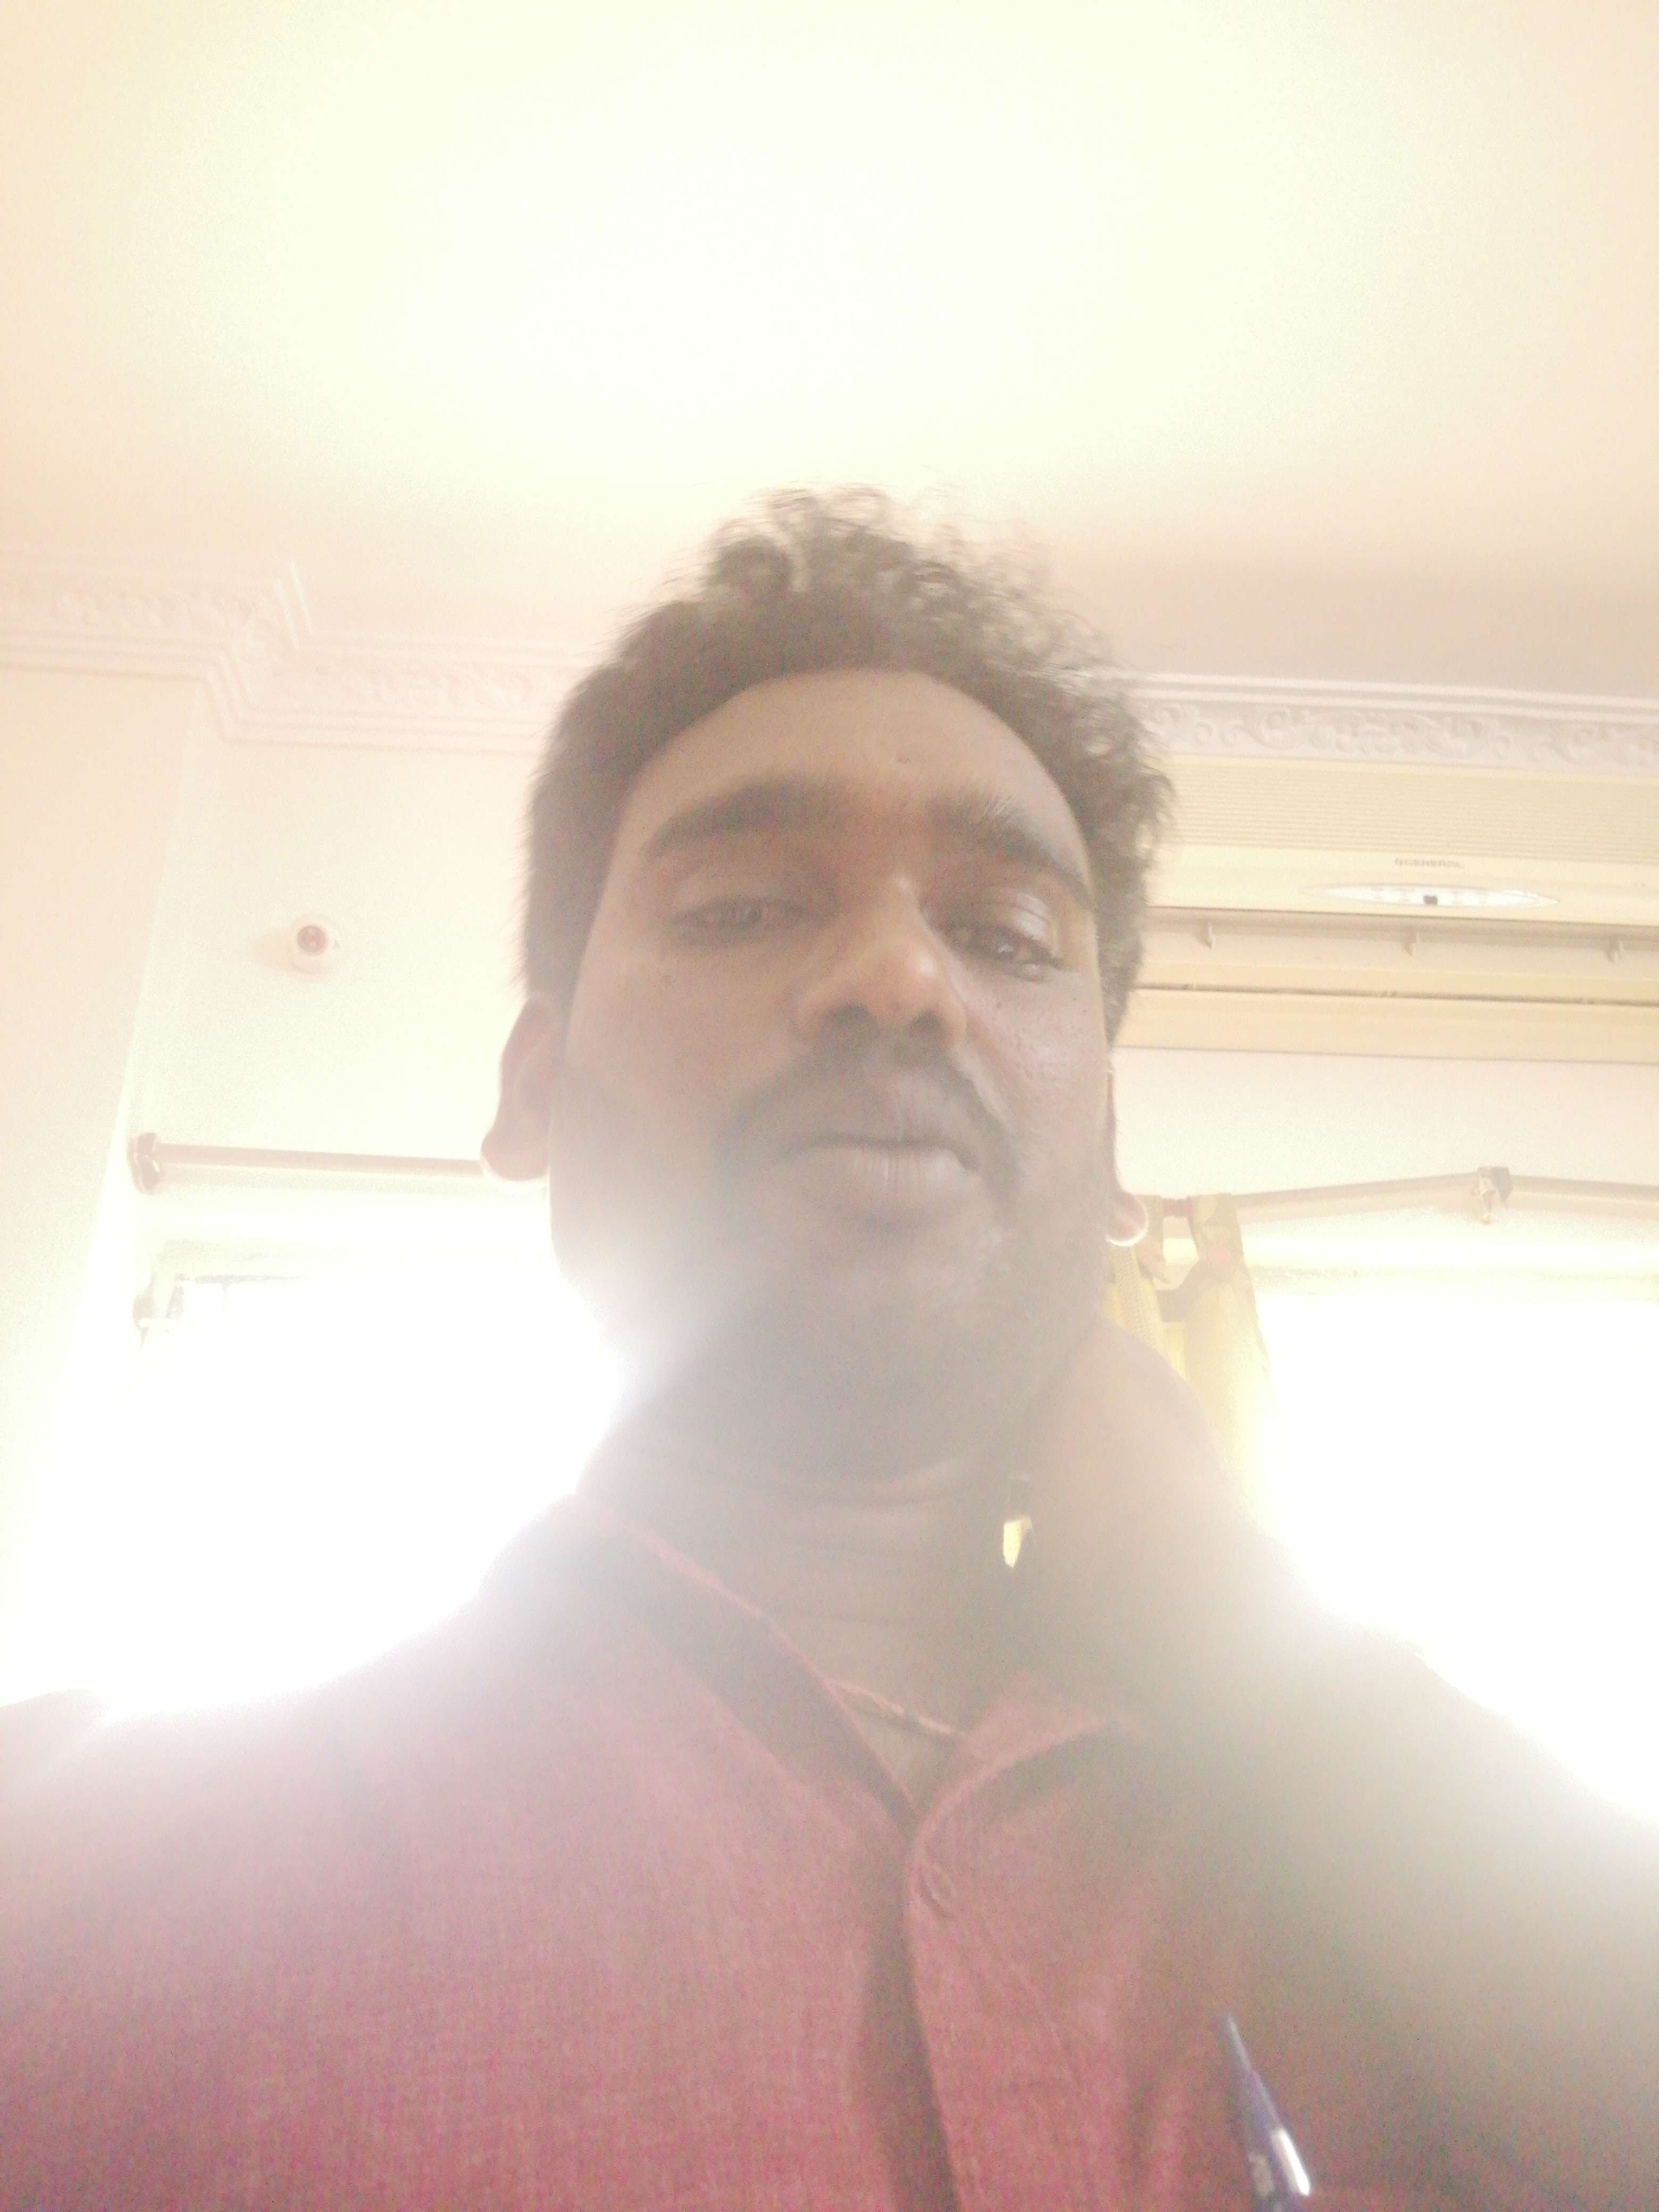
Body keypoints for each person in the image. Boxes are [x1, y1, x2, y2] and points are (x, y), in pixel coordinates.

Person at [1, 491, 1653, 2210]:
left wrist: (1227, 1605)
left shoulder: (1437, 1941)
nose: (895, 975)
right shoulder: (67, 1882)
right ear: (535, 1087)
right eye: (739, 909)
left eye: (1006, 937)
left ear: (1110, 1152)